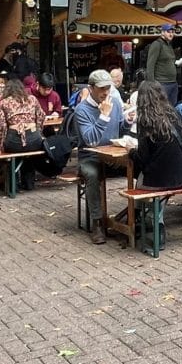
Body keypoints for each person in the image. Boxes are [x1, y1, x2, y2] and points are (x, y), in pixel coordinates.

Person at [76, 69, 124, 244]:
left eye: (108, 88)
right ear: (91, 88)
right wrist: (103, 116)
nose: (106, 92)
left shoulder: (116, 104)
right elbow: (91, 140)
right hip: (90, 157)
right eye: (102, 88)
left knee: (142, 164)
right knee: (92, 175)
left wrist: (129, 121)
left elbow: (122, 129)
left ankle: (137, 214)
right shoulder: (81, 110)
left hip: (114, 155)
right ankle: (97, 222)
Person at [130, 80, 182, 189]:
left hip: (158, 180)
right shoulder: (173, 113)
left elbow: (143, 158)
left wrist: (131, 152)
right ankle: (150, 206)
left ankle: (140, 207)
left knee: (139, 183)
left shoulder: (145, 120)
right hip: (180, 177)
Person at [0, 77, 46, 191]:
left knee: (14, 152)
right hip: (34, 139)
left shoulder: (3, 103)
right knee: (29, 153)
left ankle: (14, 185)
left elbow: (1, 127)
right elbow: (41, 116)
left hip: (14, 140)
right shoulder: (32, 99)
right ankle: (29, 183)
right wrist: (38, 131)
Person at [146, 24, 179, 104]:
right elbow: (150, 65)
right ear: (162, 32)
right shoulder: (157, 44)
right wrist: (152, 84)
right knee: (161, 109)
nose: (171, 34)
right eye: (168, 32)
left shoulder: (169, 45)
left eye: (172, 32)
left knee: (172, 109)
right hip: (162, 83)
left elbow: (169, 62)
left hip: (173, 82)